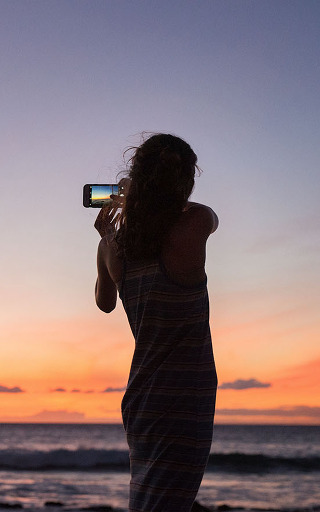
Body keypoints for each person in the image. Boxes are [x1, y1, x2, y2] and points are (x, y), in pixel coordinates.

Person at [93, 133, 219, 512]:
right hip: (186, 393)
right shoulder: (192, 225)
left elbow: (104, 303)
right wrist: (145, 199)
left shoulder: (112, 244)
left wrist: (108, 236)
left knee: (149, 500)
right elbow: (209, 216)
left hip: (143, 396)